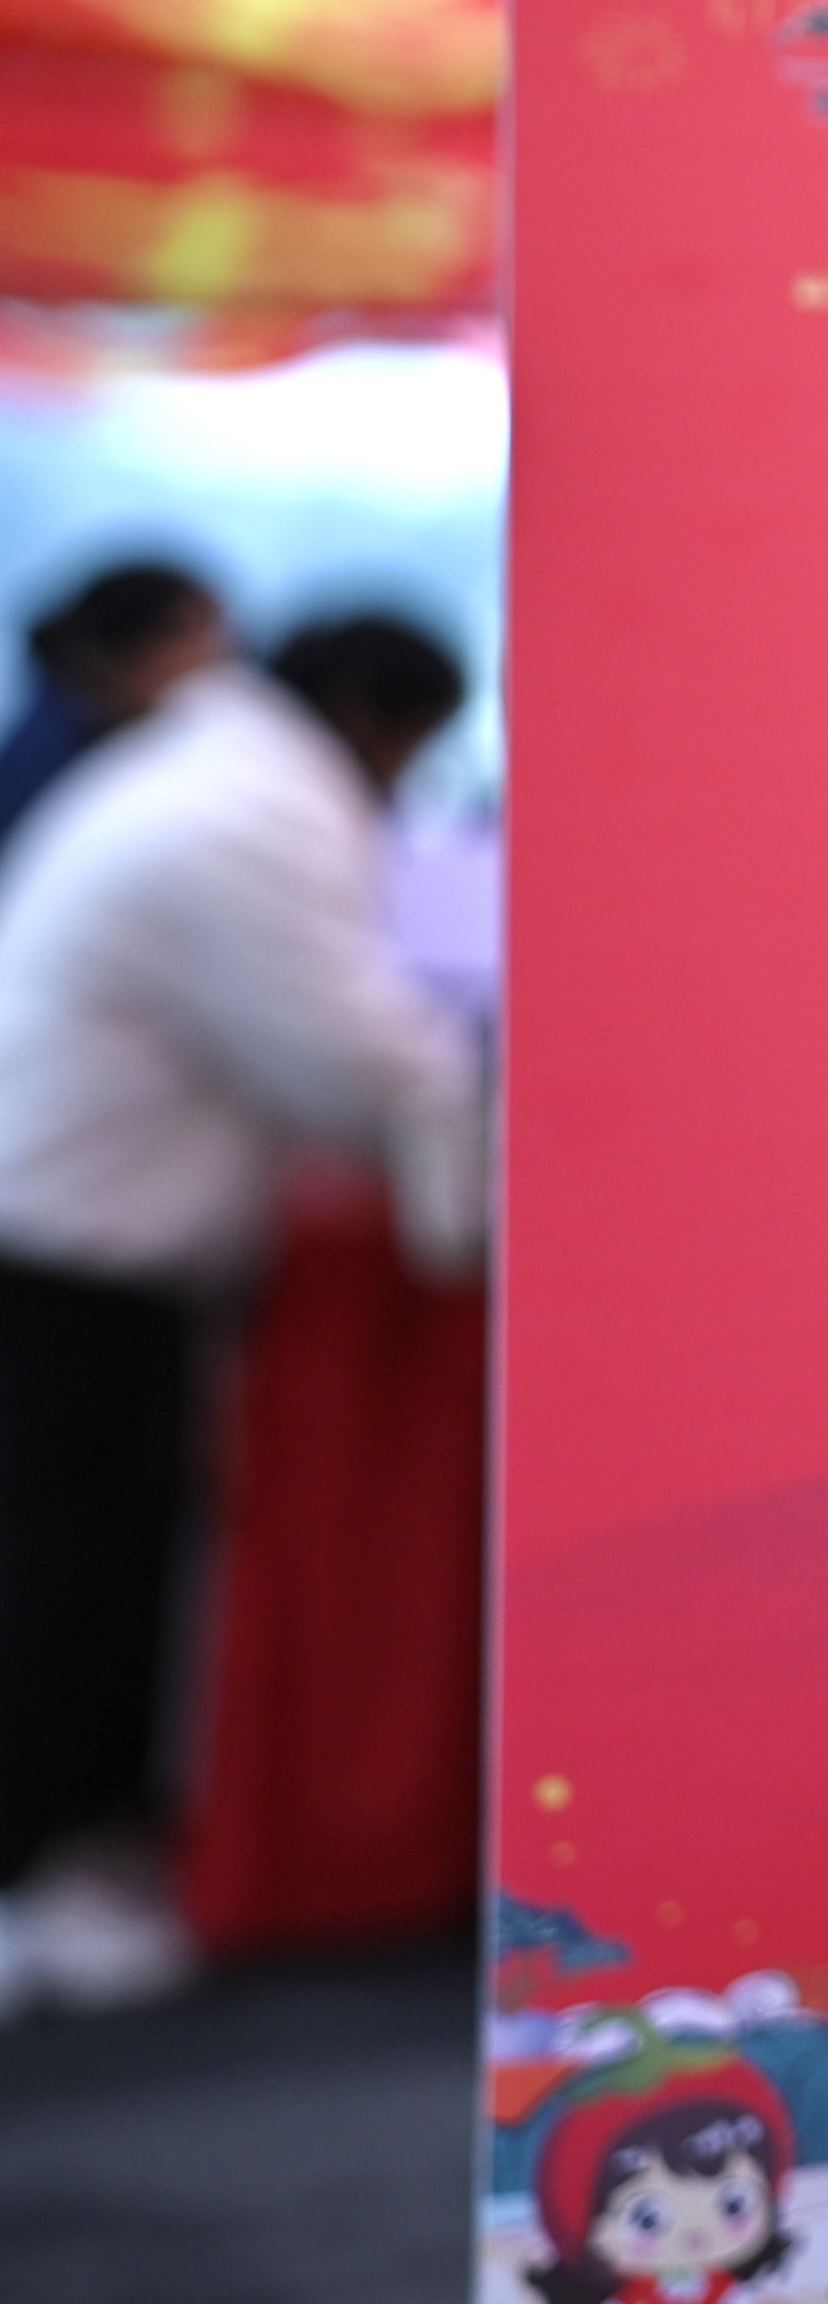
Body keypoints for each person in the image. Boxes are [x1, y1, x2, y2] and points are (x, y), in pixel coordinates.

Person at [0, 606, 483, 2011]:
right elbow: (353, 1055)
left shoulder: (213, 778)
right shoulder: (251, 814)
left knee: (90, 1563)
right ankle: (41, 1870)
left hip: (88, 1237)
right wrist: (475, 1194)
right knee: (67, 1575)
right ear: (377, 722)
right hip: (69, 1249)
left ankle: (64, 1860)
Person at [0, 560, 225, 861]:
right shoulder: (58, 761)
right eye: (210, 644)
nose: (222, 670)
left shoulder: (76, 720)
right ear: (149, 650)